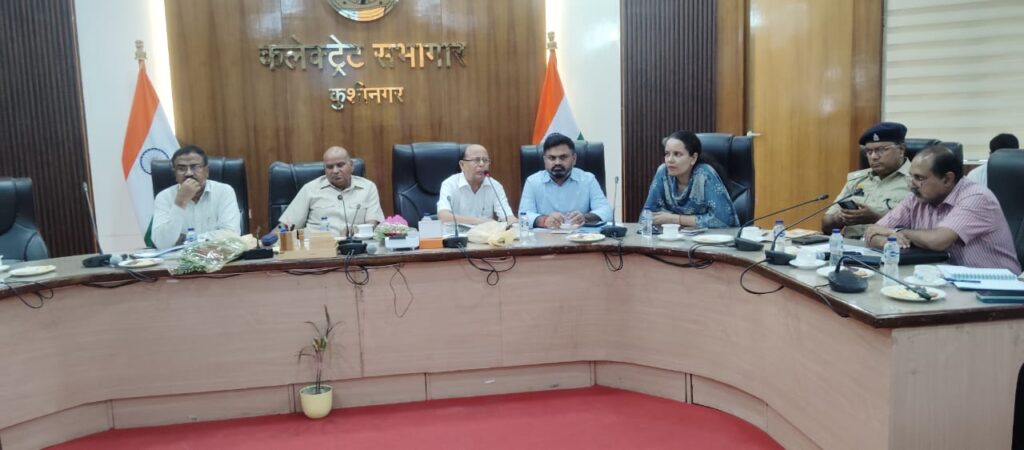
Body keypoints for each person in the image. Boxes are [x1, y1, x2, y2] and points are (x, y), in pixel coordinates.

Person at [864, 146, 1020, 272]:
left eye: (919, 178)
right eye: (911, 177)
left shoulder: (976, 197)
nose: (911, 184)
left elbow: (938, 241)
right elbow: (872, 232)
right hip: (947, 281)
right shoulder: (916, 198)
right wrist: (890, 241)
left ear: (947, 179)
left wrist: (899, 232)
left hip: (993, 287)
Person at [821, 122, 912, 238]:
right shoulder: (857, 180)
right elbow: (826, 225)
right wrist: (840, 218)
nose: (873, 157)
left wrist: (875, 218)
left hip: (890, 246)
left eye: (881, 150)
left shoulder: (917, 180)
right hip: (850, 245)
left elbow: (922, 229)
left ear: (901, 150)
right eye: (869, 152)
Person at [277, 146, 385, 237]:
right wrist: (268, 243)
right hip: (317, 249)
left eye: (340, 165)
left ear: (351, 166)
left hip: (355, 247)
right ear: (324, 169)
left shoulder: (368, 187)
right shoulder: (310, 189)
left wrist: (358, 231)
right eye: (329, 167)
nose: (335, 171)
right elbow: (286, 226)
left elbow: (373, 224)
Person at [642, 130, 738, 228]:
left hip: (709, 236)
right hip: (672, 236)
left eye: (677, 154)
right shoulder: (663, 172)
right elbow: (646, 215)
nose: (670, 160)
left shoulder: (704, 174)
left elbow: (723, 220)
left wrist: (674, 219)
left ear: (693, 158)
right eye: (667, 154)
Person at [151, 145, 240, 249]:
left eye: (195, 167)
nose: (188, 173)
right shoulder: (164, 197)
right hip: (178, 258)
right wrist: (180, 202)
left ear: (206, 171)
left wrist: (188, 239)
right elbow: (161, 244)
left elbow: (232, 235)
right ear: (175, 173)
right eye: (181, 168)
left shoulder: (224, 191)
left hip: (219, 255)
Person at [518, 133, 612, 229]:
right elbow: (523, 216)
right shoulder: (532, 182)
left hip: (580, 236)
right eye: (552, 158)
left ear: (574, 159)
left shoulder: (588, 180)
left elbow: (606, 212)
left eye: (563, 157)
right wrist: (544, 220)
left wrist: (585, 218)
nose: (557, 162)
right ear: (545, 160)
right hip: (545, 236)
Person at [437, 144, 516, 225]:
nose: (482, 164)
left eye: (485, 160)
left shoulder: (495, 186)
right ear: (462, 165)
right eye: (476, 160)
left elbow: (508, 216)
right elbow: (443, 216)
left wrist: (515, 223)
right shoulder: (450, 184)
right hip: (457, 233)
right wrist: (479, 221)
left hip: (484, 233)